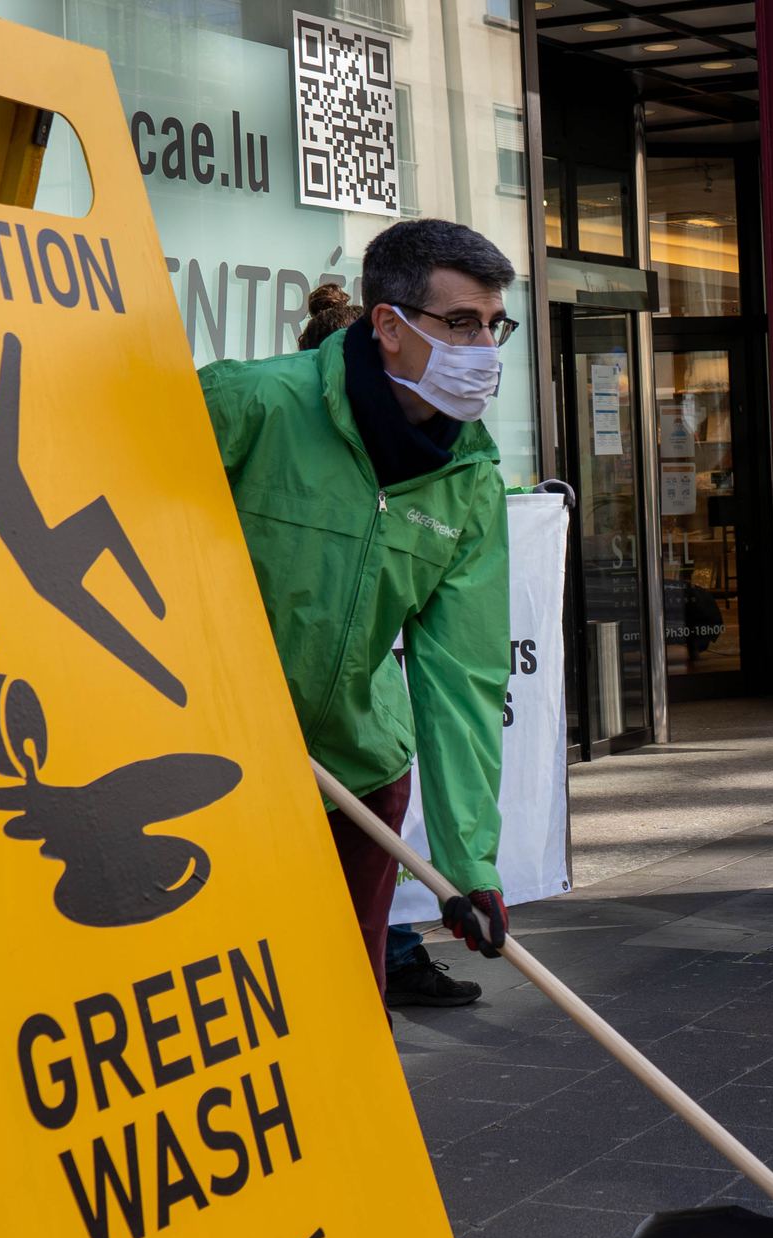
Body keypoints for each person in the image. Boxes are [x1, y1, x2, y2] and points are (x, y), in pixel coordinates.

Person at [202, 222, 517, 992]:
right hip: (215, 764)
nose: (484, 348)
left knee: (345, 1003)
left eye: (494, 324)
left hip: (357, 773)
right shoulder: (252, 405)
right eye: (462, 323)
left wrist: (467, 862)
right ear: (390, 326)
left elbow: (463, 675)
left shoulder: (470, 478)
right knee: (231, 1006)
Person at [294, 286, 487, 1011]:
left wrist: (473, 865)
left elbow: (460, 671)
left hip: (367, 752)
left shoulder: (440, 475)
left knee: (355, 967)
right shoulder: (272, 431)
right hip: (262, 757)